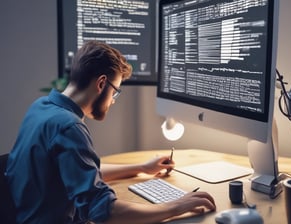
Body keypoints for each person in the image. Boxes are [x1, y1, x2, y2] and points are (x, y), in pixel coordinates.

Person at [6, 40, 216, 224]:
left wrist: (142, 167)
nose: (113, 101)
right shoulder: (69, 126)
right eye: (115, 91)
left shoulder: (41, 107)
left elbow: (80, 172)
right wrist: (177, 206)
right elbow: (104, 212)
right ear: (101, 83)